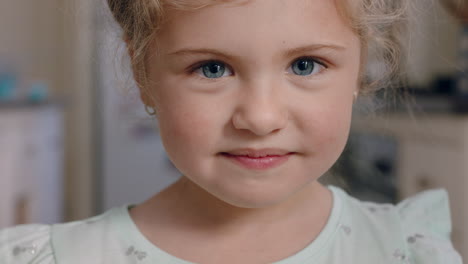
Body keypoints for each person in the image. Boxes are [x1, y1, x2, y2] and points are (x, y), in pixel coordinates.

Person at [0, 0, 463, 263]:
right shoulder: (60, 257)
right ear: (142, 73)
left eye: (306, 65)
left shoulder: (406, 252)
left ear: (360, 68)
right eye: (212, 68)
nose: (260, 119)